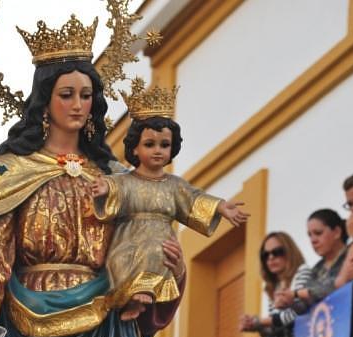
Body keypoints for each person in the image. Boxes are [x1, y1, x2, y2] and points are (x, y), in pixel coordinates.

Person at [0, 16, 187, 337]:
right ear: (45, 100)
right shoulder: (9, 171)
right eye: (67, 95)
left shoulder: (116, 177)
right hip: (29, 331)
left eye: (86, 95)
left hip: (106, 328)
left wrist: (164, 274)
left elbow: (142, 241)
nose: (78, 105)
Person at [90, 85, 249, 320]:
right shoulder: (125, 180)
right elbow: (114, 187)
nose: (158, 151)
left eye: (164, 145)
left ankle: (144, 296)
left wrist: (221, 206)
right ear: (135, 147)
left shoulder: (174, 185)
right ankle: (130, 297)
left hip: (159, 239)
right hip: (128, 239)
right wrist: (105, 188)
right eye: (150, 144)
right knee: (121, 258)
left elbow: (194, 200)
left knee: (157, 251)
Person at [239, 231, 312, 337]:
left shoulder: (302, 272)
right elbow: (276, 329)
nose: (270, 258)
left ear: (290, 252)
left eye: (277, 252)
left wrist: (260, 321)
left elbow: (300, 313)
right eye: (265, 255)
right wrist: (257, 326)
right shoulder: (273, 287)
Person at [274, 209, 348, 309]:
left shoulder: (351, 254)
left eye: (318, 233)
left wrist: (296, 294)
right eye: (310, 235)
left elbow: (336, 285)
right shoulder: (316, 269)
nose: (313, 240)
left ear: (337, 232)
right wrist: (288, 302)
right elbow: (305, 305)